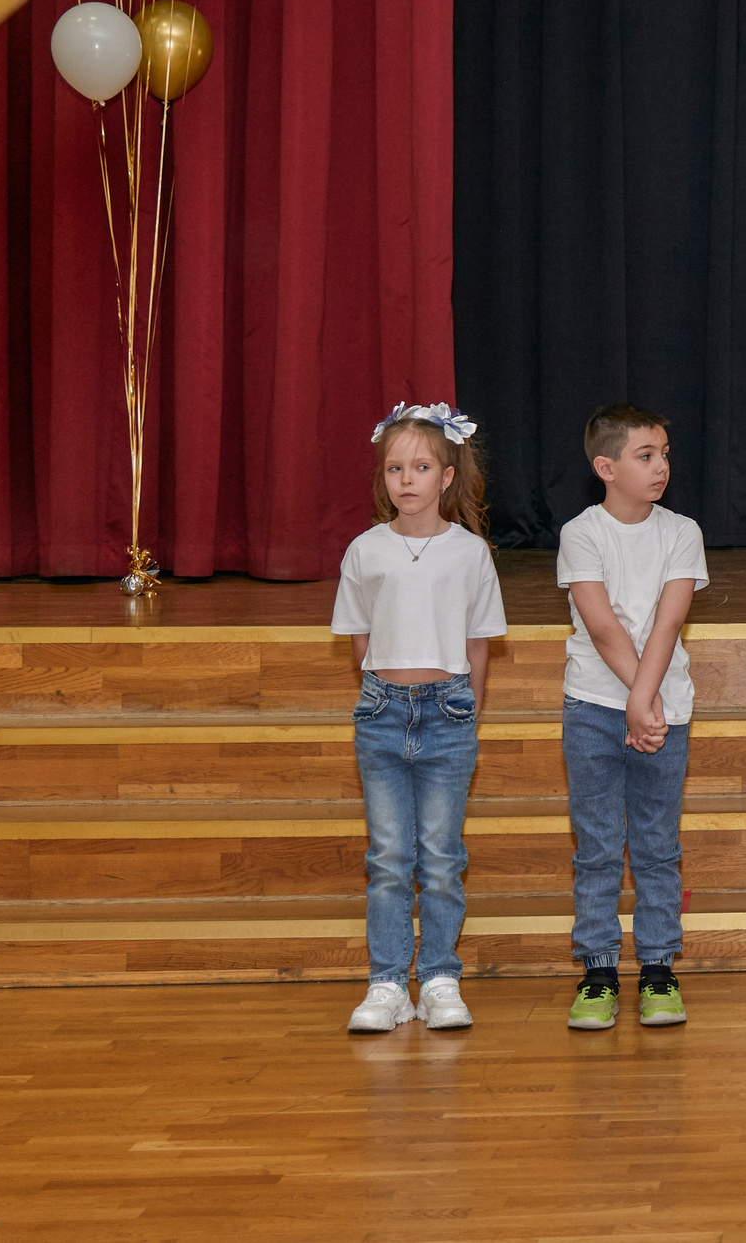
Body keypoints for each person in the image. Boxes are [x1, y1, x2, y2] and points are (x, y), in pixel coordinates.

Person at [331, 402, 507, 1034]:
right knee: (387, 856)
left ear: (447, 475)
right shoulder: (365, 551)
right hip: (381, 712)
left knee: (439, 855)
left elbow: (480, 642)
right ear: (383, 477)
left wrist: (467, 712)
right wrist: (386, 685)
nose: (407, 479)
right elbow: (358, 641)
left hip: (448, 712)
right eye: (395, 468)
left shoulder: (469, 553)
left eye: (422, 467)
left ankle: (437, 977)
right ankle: (386, 983)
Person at [557, 404, 709, 1032]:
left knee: (656, 846)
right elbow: (601, 625)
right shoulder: (581, 532)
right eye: (646, 456)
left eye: (665, 453)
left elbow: (669, 622)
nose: (662, 466)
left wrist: (647, 705)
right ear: (606, 466)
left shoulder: (682, 531)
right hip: (593, 709)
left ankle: (656, 970)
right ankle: (597, 973)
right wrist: (637, 699)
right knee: (596, 848)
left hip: (661, 713)